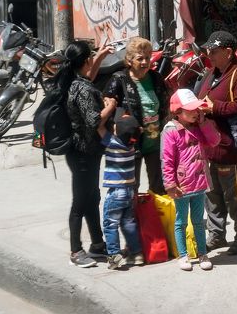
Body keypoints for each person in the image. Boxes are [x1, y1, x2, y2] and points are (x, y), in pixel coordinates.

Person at [196, 30, 237, 255]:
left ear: (228, 52)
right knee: (212, 198)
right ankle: (217, 235)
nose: (209, 54)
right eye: (208, 50)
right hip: (209, 148)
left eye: (214, 50)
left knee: (236, 198)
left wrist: (214, 108)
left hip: (231, 150)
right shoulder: (212, 73)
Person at [59, 41, 114, 268]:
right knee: (80, 202)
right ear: (84, 62)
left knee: (92, 198)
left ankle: (98, 244)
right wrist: (111, 106)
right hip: (83, 152)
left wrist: (99, 56)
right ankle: (75, 251)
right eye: (90, 57)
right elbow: (93, 121)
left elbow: (88, 79)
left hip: (86, 152)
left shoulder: (74, 81)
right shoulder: (81, 88)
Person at [162, 88, 221, 271]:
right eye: (191, 110)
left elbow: (214, 141)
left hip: (199, 183)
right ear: (178, 112)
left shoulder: (199, 126)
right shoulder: (171, 131)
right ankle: (183, 255)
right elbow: (167, 159)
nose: (196, 112)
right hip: (181, 186)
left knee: (197, 219)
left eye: (197, 109)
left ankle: (202, 253)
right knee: (181, 221)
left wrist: (204, 122)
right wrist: (170, 184)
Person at [104, 37, 168, 195]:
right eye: (140, 58)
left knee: (159, 186)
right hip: (131, 143)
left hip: (155, 142)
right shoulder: (119, 80)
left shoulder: (156, 78)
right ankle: (133, 219)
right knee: (131, 187)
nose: (145, 62)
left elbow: (166, 104)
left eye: (148, 57)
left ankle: (153, 218)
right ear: (129, 60)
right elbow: (108, 105)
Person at [101, 106, 144, 269]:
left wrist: (108, 108)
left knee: (110, 223)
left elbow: (98, 126)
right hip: (129, 191)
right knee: (128, 223)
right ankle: (137, 253)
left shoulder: (112, 143)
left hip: (116, 193)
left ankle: (113, 254)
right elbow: (135, 130)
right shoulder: (132, 146)